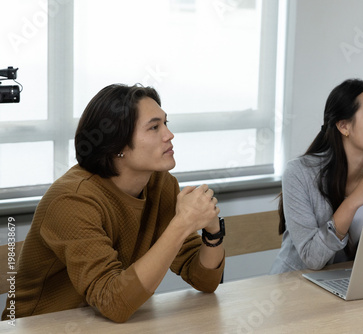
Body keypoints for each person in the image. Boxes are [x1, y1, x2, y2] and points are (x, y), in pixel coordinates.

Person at [2, 84, 225, 323]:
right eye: (154, 127)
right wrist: (181, 224)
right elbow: (113, 303)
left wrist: (212, 230)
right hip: (39, 328)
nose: (169, 135)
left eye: (166, 123)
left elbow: (205, 281)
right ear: (117, 144)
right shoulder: (72, 200)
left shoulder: (160, 184)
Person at [270, 79, 363, 274]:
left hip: (351, 282)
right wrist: (354, 201)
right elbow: (313, 259)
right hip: (296, 286)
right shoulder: (299, 173)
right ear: (344, 126)